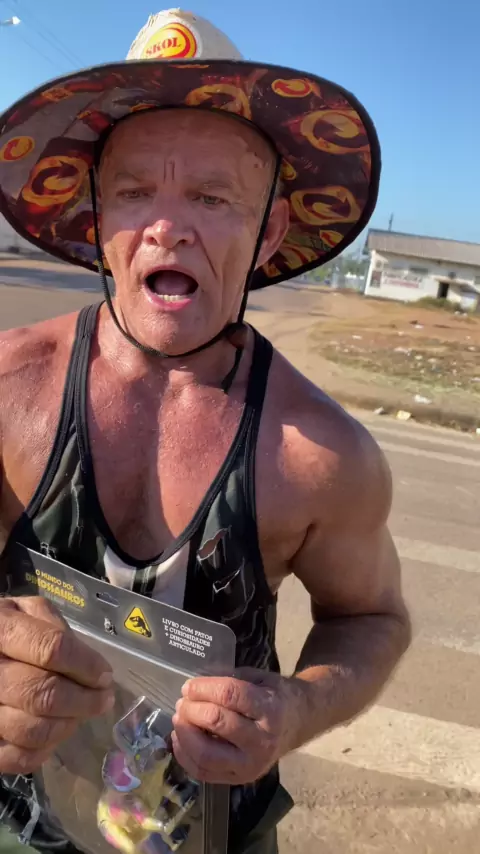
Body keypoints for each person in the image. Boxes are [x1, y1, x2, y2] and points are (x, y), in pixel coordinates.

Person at [0, 9, 411, 854]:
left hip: (217, 830)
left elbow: (371, 617)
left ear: (269, 234)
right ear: (99, 222)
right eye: (133, 192)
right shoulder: (8, 389)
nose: (167, 226)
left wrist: (296, 707)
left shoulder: (320, 454)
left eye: (212, 197)